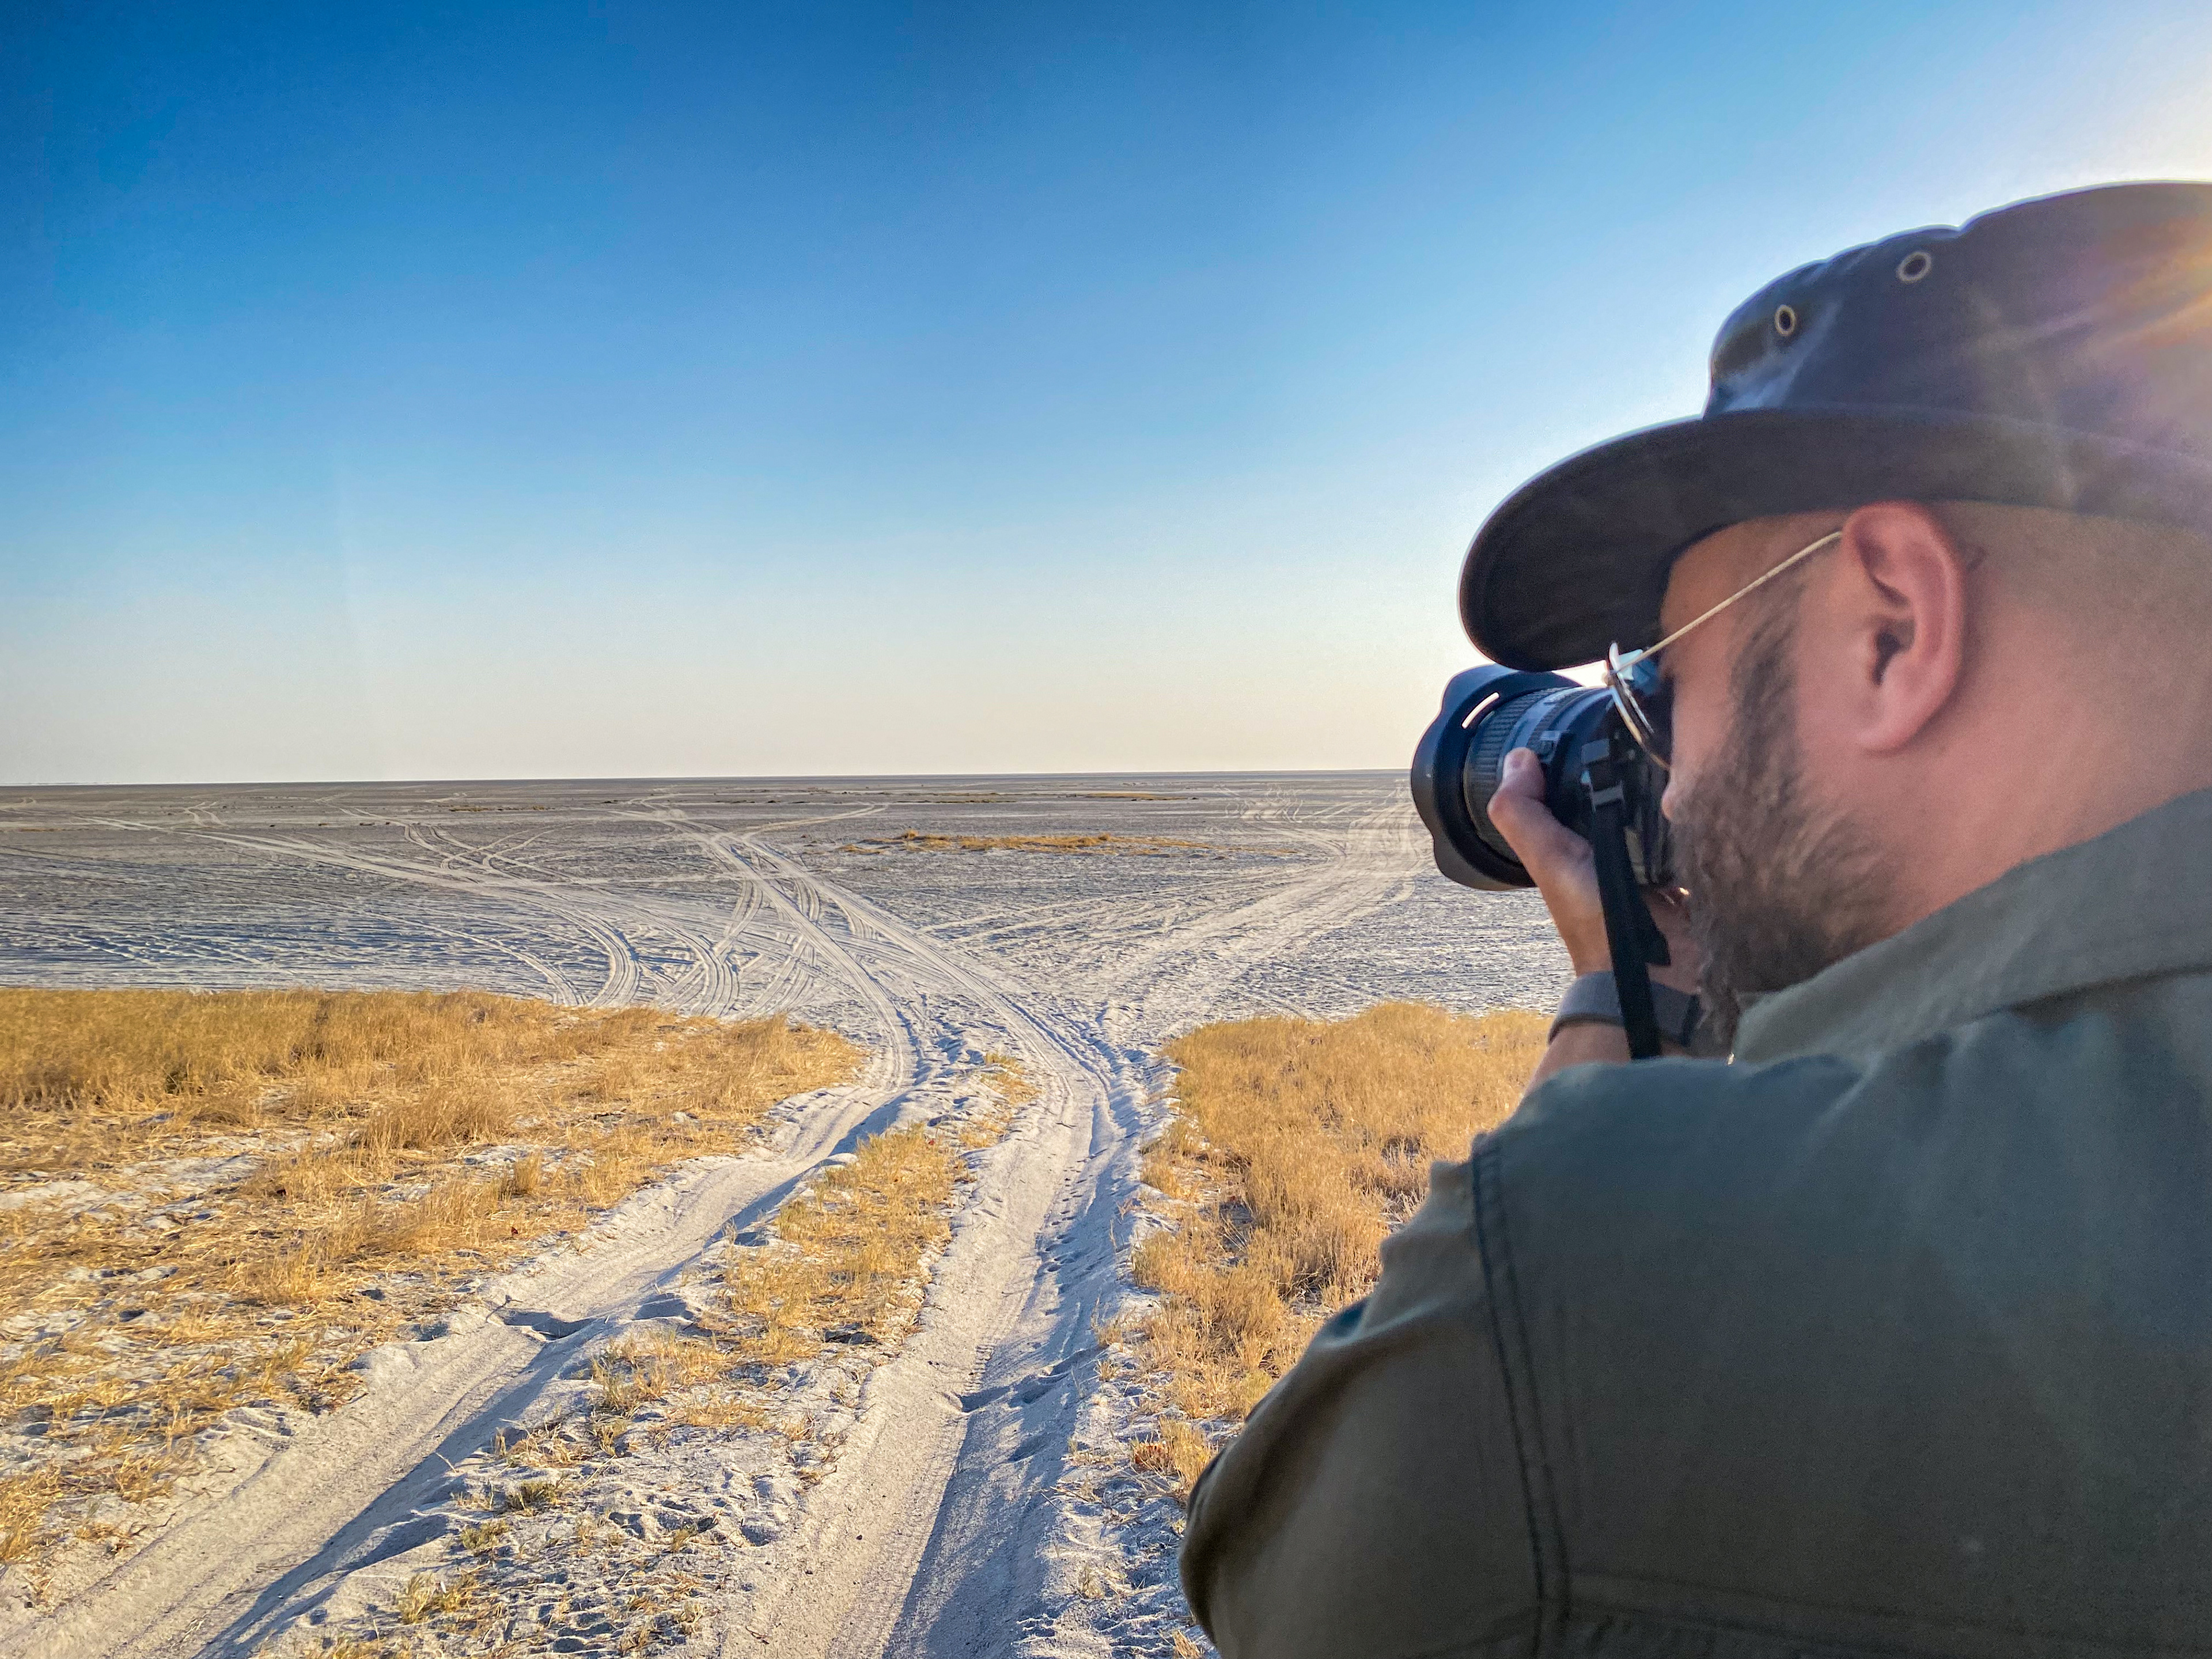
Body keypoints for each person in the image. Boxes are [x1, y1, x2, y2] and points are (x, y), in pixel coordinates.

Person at [1178, 181, 2212, 1657]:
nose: (1669, 771)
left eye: (1664, 673)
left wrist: (1612, 1021)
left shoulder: (1590, 1272)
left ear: (1892, 629)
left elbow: (1280, 1592)